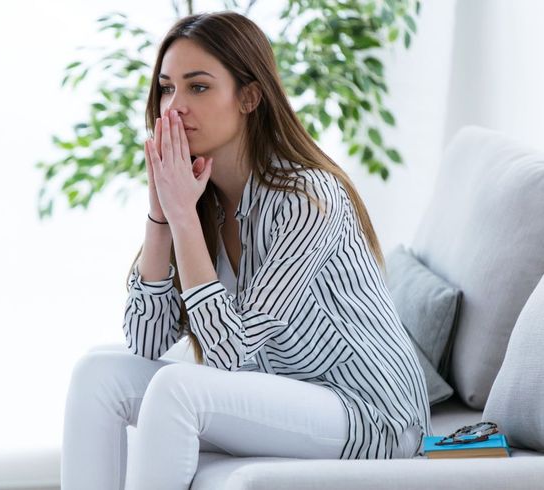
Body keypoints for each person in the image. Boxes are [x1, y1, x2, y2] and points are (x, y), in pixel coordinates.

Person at [61, 10, 431, 490]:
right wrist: (161, 218)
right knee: (98, 375)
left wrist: (182, 219)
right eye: (166, 88)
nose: (174, 106)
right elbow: (147, 342)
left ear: (249, 97)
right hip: (287, 395)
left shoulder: (307, 199)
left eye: (198, 87)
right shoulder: (202, 200)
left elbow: (226, 355)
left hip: (372, 413)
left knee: (178, 389)